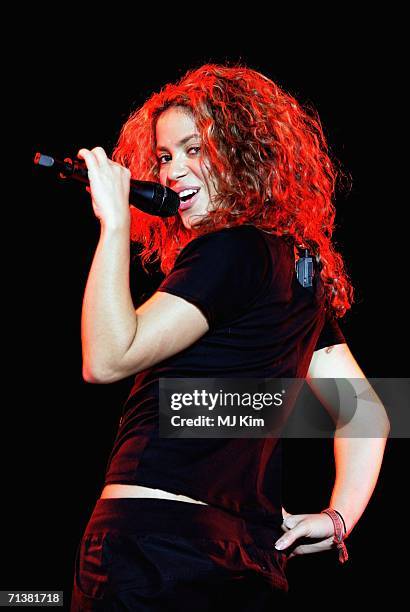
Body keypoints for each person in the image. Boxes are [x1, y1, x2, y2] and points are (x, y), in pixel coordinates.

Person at [70, 64, 390, 610]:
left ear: (246, 153)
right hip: (244, 557)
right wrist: (339, 519)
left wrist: (115, 224)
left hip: (153, 548)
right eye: (166, 157)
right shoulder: (295, 270)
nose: (173, 172)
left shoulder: (229, 249)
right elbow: (367, 412)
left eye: (195, 149)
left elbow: (106, 357)